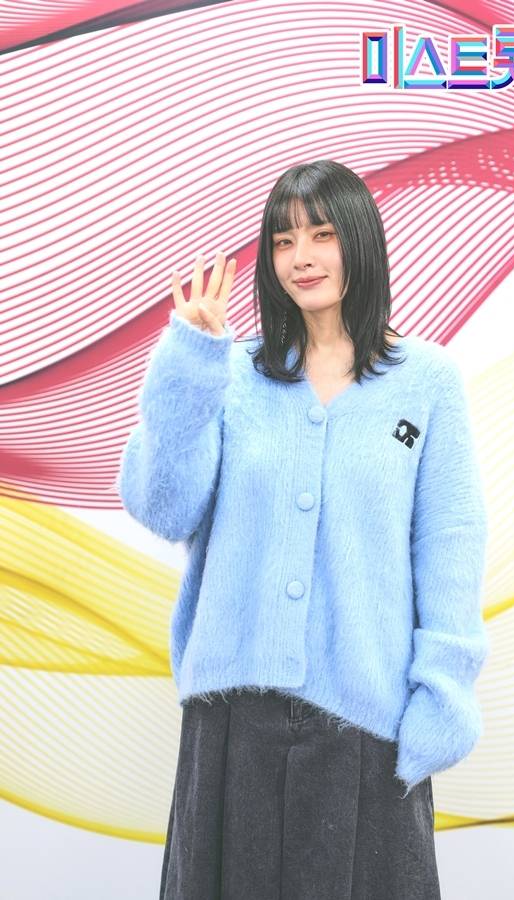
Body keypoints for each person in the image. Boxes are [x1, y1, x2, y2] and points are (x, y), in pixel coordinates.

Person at [117, 160, 490, 899]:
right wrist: (190, 364)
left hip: (368, 725)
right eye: (284, 241)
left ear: (359, 240)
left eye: (322, 234)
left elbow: (449, 541)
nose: (302, 257)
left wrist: (442, 693)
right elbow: (163, 506)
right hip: (234, 723)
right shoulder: (231, 376)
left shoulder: (427, 382)